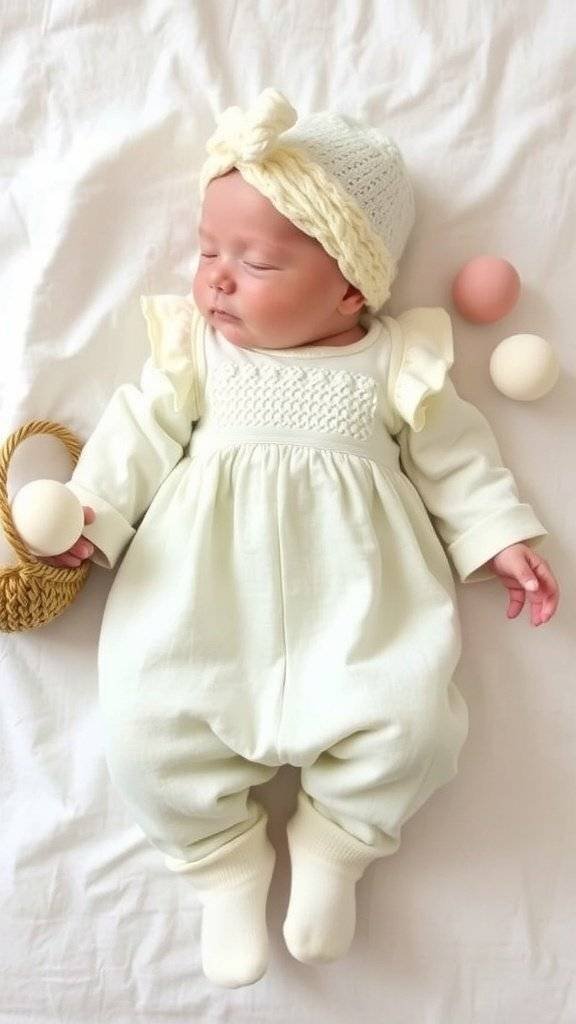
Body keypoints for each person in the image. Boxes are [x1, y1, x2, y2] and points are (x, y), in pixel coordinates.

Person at [43, 88, 559, 988]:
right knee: (141, 719)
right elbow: (138, 431)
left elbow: (455, 456)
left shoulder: (400, 358)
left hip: (359, 597)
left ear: (350, 284)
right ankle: (222, 863)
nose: (216, 279)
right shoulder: (198, 355)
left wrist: (498, 534)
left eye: (255, 263)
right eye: (209, 252)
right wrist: (93, 510)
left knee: (418, 723)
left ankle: (337, 843)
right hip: (198, 593)